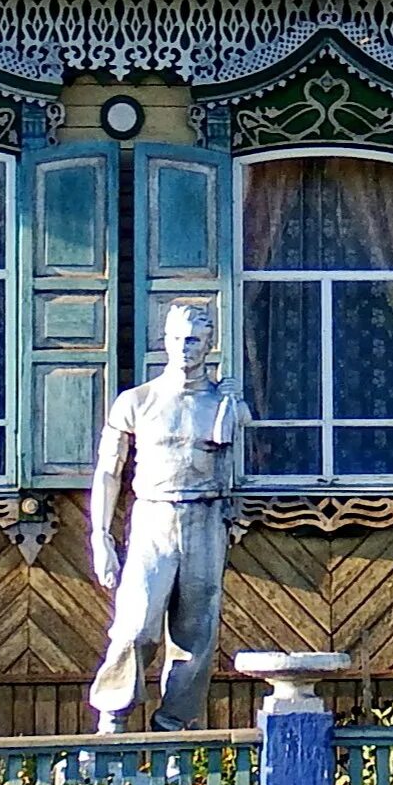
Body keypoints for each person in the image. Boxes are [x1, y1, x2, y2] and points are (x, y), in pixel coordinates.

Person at [87, 299, 245, 733]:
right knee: (135, 624)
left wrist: (233, 408)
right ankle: (113, 717)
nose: (184, 348)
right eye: (176, 339)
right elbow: (108, 470)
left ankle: (173, 725)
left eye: (193, 340)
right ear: (165, 342)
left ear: (209, 345)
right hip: (154, 516)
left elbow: (242, 463)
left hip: (206, 517)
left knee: (195, 634)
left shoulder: (220, 402)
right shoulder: (137, 401)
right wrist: (100, 534)